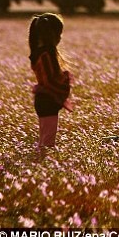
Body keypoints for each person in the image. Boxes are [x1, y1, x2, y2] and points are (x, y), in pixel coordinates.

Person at [28, 13, 73, 155]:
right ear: (52, 34)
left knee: (44, 138)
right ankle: (40, 165)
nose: (60, 38)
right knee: (47, 142)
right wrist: (65, 81)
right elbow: (50, 81)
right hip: (47, 101)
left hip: (43, 100)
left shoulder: (38, 52)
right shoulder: (47, 55)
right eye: (59, 34)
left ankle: (39, 162)